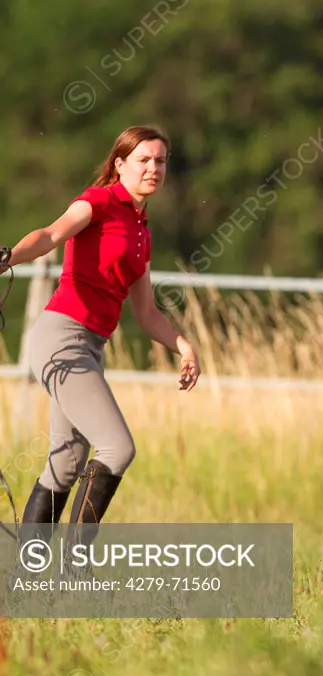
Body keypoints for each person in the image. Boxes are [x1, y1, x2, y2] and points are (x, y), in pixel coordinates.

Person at [1, 125, 201, 543]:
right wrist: (9, 257)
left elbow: (145, 313)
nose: (153, 168)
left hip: (91, 346)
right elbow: (50, 236)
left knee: (68, 461)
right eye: (143, 160)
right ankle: (75, 569)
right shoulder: (98, 202)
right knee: (117, 448)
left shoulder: (141, 230)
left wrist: (182, 345)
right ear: (120, 164)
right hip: (61, 338)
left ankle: (26, 573)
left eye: (160, 161)